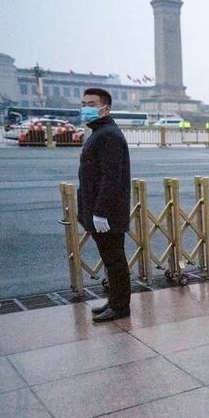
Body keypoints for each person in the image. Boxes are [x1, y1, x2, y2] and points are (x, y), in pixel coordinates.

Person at [78, 88, 132, 322]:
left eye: (91, 103)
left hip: (107, 214)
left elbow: (111, 178)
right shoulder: (100, 132)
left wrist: (101, 212)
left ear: (105, 108)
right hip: (102, 212)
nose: (86, 107)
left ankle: (120, 307)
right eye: (84, 103)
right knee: (111, 260)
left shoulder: (107, 135)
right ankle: (115, 302)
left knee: (115, 260)